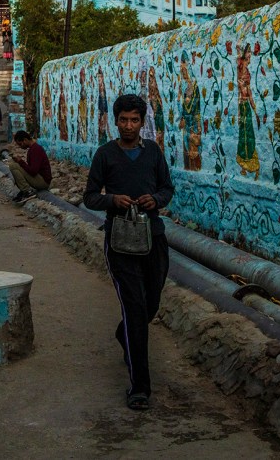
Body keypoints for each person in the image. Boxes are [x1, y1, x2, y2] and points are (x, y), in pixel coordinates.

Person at [84, 93, 174, 411]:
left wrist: (155, 199)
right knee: (135, 311)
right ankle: (139, 388)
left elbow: (167, 188)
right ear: (115, 121)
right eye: (123, 120)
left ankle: (124, 335)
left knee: (150, 305)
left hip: (154, 239)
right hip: (120, 243)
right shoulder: (105, 155)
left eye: (134, 120)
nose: (128, 125)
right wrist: (113, 200)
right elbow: (90, 196)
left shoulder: (153, 153)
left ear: (142, 122)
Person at [8, 130, 52, 204]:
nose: (20, 146)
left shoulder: (35, 149)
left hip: (43, 182)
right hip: (40, 179)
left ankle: (27, 191)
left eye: (20, 144)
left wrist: (21, 162)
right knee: (14, 164)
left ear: (25, 140)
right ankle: (24, 190)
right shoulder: (33, 149)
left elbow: (33, 171)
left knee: (13, 166)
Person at [236, 44, 259, 178]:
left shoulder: (247, 73)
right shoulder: (240, 70)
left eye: (250, 58)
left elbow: (248, 92)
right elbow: (241, 93)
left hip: (246, 107)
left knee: (249, 135)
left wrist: (254, 108)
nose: (249, 61)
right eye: (248, 58)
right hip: (242, 106)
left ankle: (250, 163)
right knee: (243, 135)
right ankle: (243, 165)